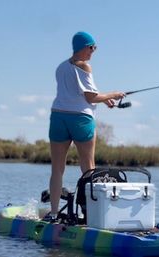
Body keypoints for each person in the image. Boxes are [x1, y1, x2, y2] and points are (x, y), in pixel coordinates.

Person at [44, 31, 125, 221]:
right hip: (81, 119)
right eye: (92, 47)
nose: (93, 51)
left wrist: (104, 100)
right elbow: (90, 97)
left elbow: (80, 94)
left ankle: (54, 213)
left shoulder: (61, 67)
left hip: (58, 117)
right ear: (83, 47)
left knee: (57, 169)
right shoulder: (85, 67)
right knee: (88, 168)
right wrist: (113, 94)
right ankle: (92, 214)